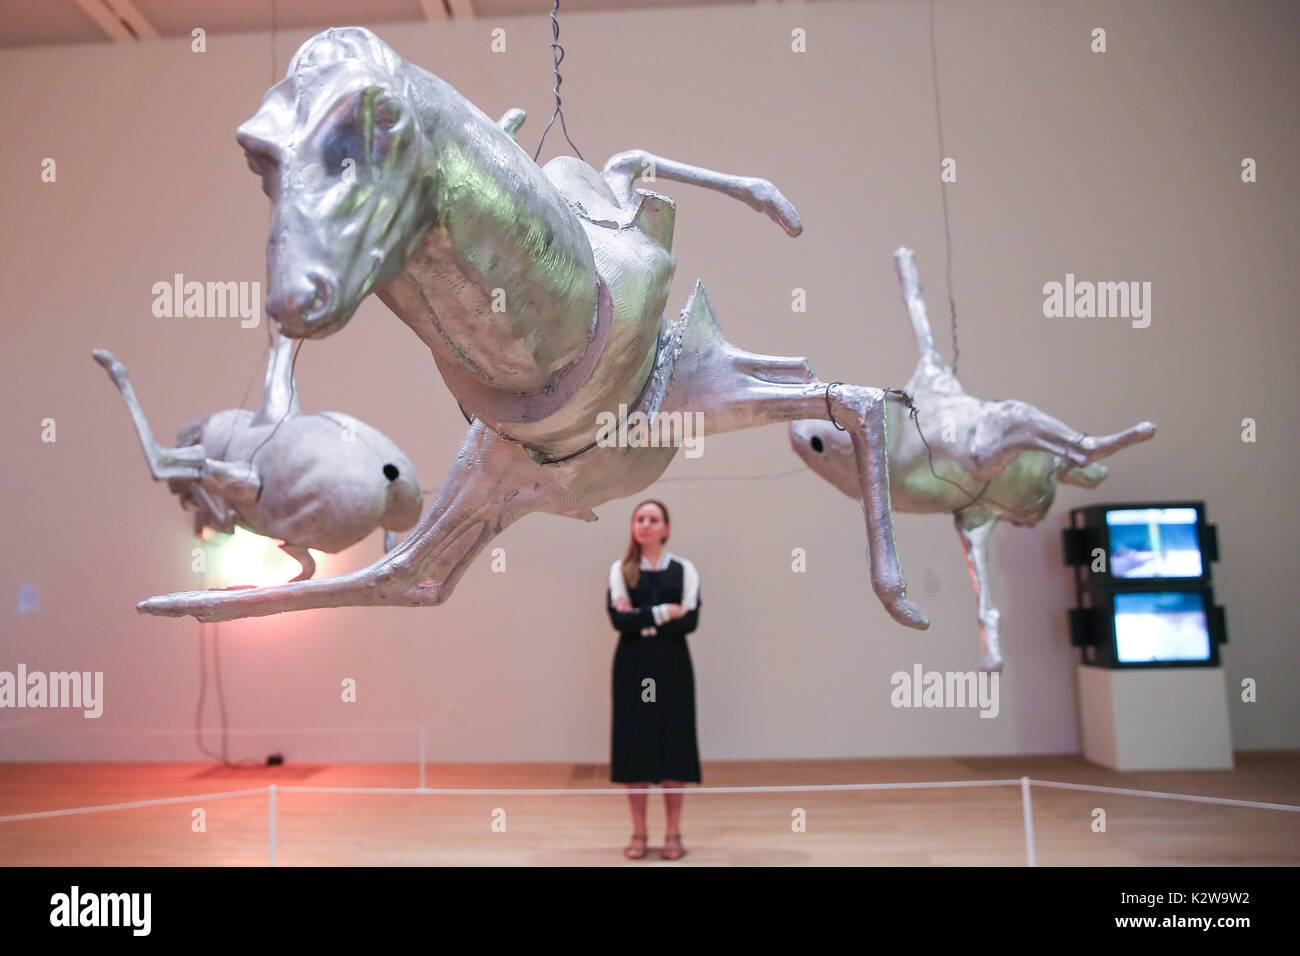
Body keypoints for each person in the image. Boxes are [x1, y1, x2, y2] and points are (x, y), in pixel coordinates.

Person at [606, 499, 702, 861]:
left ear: (666, 528)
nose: (645, 524)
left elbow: (689, 622)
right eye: (640, 519)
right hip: (633, 665)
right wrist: (663, 611)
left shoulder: (685, 570)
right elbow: (619, 623)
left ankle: (673, 833)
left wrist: (641, 616)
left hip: (672, 663)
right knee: (636, 745)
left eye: (653, 519)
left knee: (673, 744)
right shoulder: (620, 570)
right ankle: (639, 832)